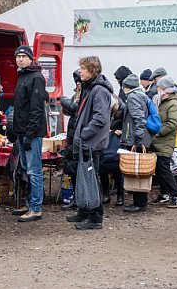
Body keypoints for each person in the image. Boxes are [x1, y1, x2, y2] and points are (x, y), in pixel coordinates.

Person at [65, 56, 111, 230]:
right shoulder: (90, 88)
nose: (80, 71)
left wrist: (84, 134)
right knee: (84, 178)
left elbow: (100, 117)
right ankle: (84, 211)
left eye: (83, 68)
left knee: (91, 180)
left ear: (92, 70)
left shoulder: (99, 90)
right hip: (86, 142)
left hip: (92, 143)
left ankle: (95, 218)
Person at [9, 45, 48, 222]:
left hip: (31, 132)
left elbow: (36, 109)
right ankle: (29, 202)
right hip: (21, 131)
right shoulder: (22, 76)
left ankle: (36, 208)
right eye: (18, 56)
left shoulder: (36, 77)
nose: (20, 59)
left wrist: (30, 134)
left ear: (31, 58)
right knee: (26, 169)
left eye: (24, 56)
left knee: (34, 170)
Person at [150, 76, 177, 208]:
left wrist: (158, 131)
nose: (157, 90)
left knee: (164, 169)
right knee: (159, 169)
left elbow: (173, 123)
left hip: (165, 141)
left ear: (165, 89)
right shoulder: (162, 102)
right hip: (159, 141)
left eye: (159, 87)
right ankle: (164, 194)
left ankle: (176, 196)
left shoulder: (173, 103)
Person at [118, 74, 152, 212]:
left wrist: (137, 137)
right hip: (140, 138)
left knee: (136, 171)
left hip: (136, 139)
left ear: (127, 87)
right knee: (140, 171)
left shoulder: (132, 97)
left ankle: (139, 203)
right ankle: (140, 201)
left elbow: (139, 118)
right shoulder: (141, 95)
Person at [59, 70, 83, 211]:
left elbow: (76, 109)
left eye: (79, 81)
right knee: (73, 169)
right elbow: (70, 111)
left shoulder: (87, 94)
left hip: (80, 136)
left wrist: (66, 102)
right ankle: (75, 199)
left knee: (81, 171)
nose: (78, 84)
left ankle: (81, 200)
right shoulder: (77, 94)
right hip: (73, 135)